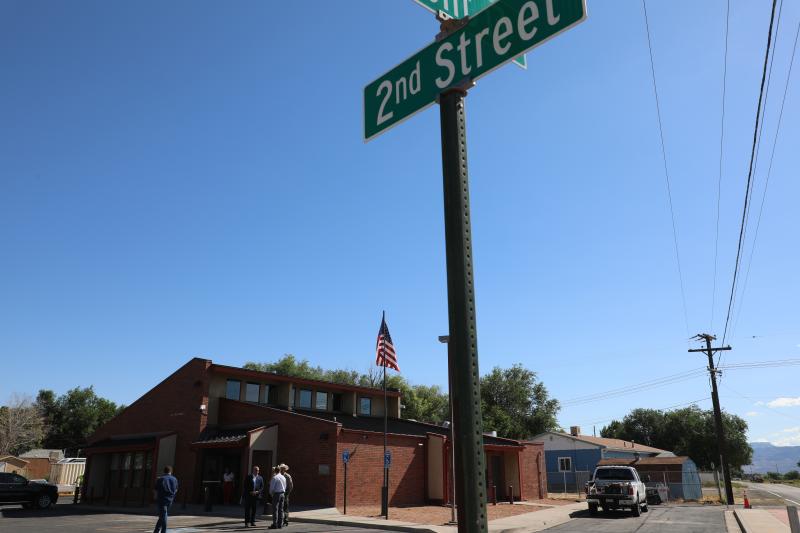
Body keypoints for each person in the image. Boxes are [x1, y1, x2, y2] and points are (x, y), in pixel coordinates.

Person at [153, 466, 178, 533]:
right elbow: (176, 489)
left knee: (163, 516)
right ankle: (156, 531)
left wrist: (155, 497)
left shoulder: (160, 479)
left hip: (162, 499)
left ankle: (163, 531)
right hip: (170, 499)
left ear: (164, 471)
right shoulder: (174, 479)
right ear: (171, 472)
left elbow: (156, 490)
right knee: (163, 515)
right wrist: (173, 496)